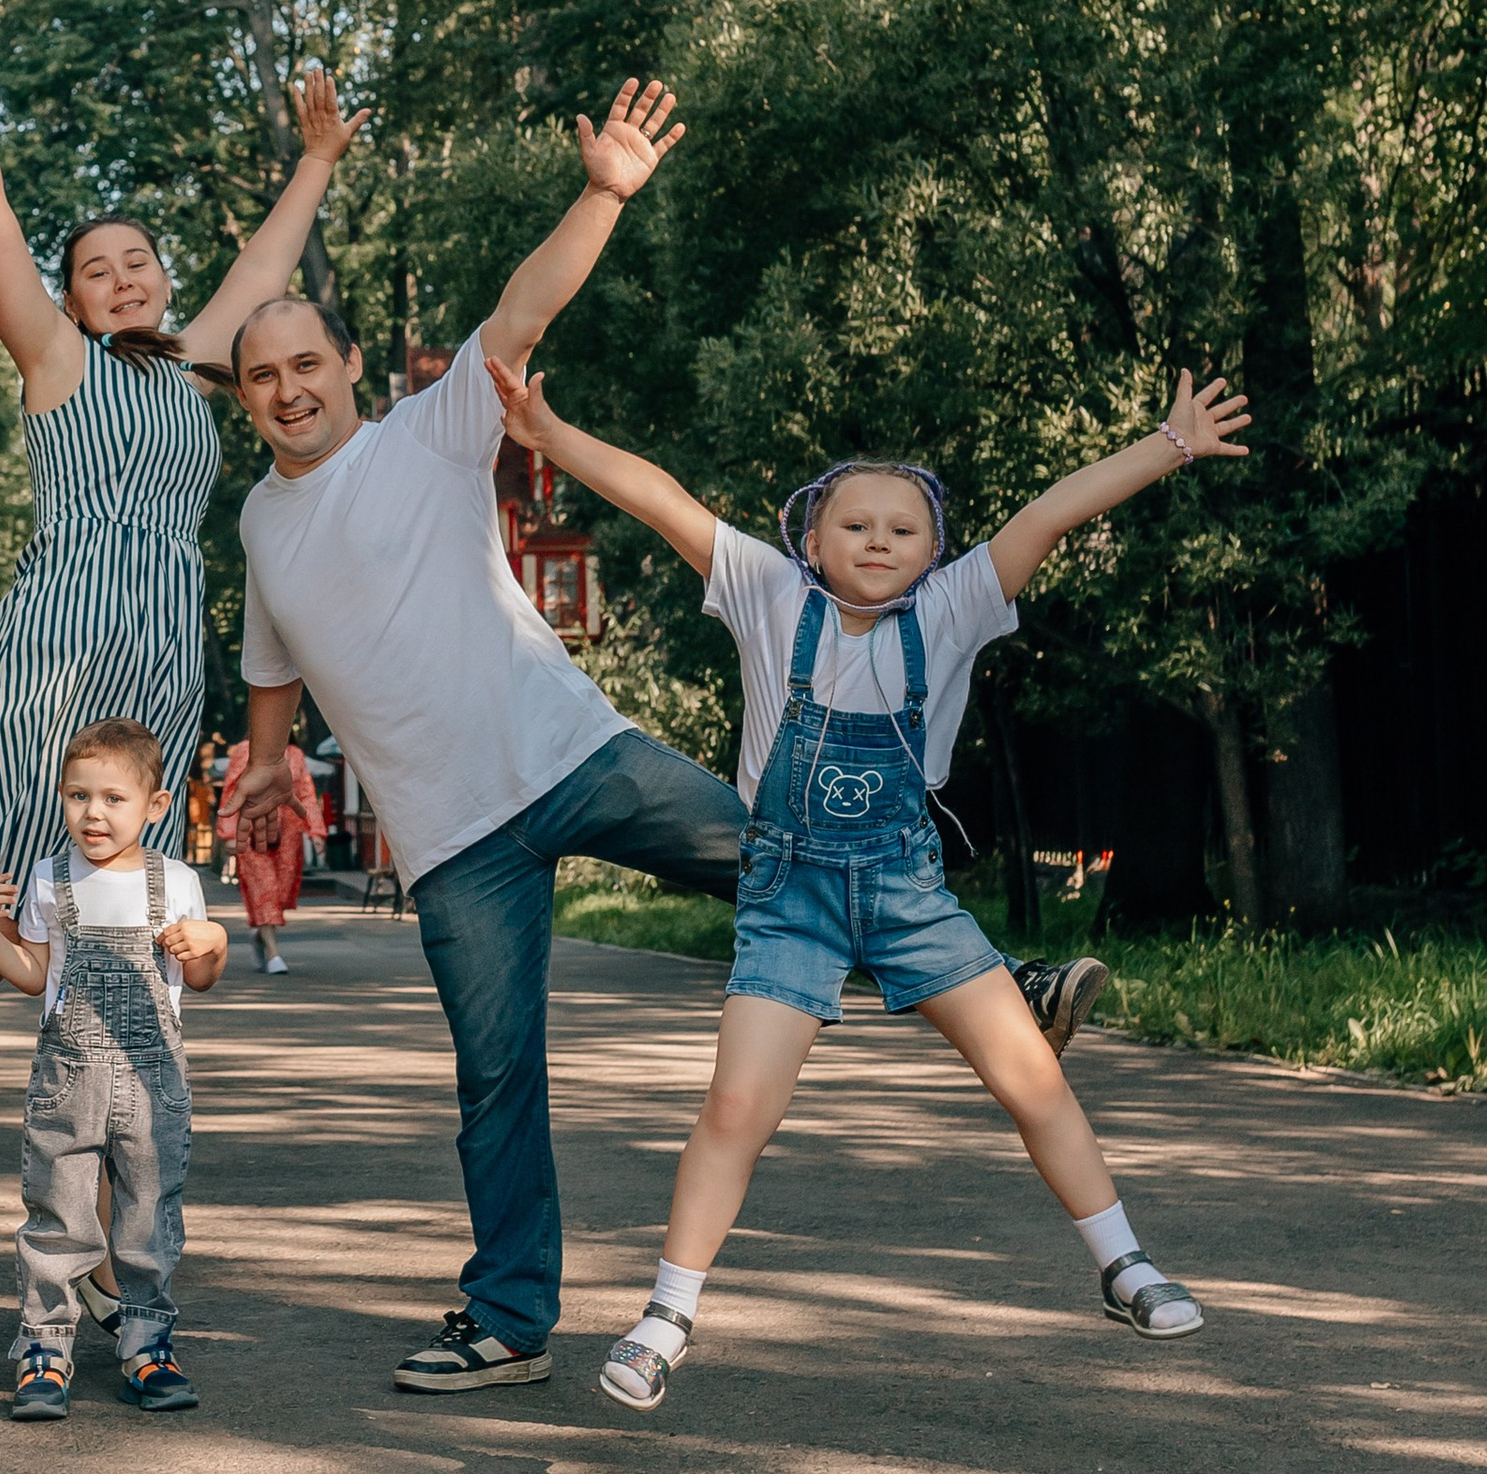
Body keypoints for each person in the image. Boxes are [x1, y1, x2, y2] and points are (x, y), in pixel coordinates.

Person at [483, 353, 1243, 1411]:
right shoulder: (765, 592)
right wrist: (548, 433)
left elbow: (1050, 513)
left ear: (935, 550)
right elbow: (660, 499)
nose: (878, 540)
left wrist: (1169, 445)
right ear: (810, 539)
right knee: (736, 1104)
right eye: (854, 524)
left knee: (1030, 1076)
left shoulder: (958, 606)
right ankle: (664, 1318)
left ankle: (1123, 1262)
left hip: (907, 892)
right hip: (786, 898)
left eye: (902, 528)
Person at [227, 80, 749, 1394]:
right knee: (497, 1081)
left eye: (305, 364)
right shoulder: (259, 524)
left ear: (348, 366)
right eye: (261, 375)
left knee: (781, 857)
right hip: (453, 840)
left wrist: (604, 193)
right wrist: (271, 760)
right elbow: (273, 656)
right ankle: (511, 1319)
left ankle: (1003, 983)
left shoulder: (431, 432)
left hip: (572, 756)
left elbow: (523, 309)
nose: (287, 389)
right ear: (244, 397)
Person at [0, 0, 365, 1229]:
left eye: (137, 263)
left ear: (164, 282)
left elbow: (266, 262)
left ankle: (112, 1232)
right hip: (44, 671)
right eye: (94, 269)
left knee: (124, 946)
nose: (119, 278)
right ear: (67, 297)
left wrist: (316, 161)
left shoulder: (200, 368)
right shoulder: (56, 359)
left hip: (156, 673)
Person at [0, 717, 227, 1419]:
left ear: (155, 805)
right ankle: (44, 1347)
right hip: (68, 1081)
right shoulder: (48, 878)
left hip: (153, 1084)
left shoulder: (176, 881)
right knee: (57, 1212)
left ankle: (148, 1345)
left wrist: (214, 940)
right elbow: (35, 974)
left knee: (148, 1214)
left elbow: (199, 978)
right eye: (78, 795)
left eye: (114, 798)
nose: (94, 813)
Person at [220, 733, 316, 970]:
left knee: (281, 891)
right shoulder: (246, 750)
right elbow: (232, 790)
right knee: (264, 889)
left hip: (289, 834)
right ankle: (273, 954)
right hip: (253, 831)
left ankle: (261, 934)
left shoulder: (295, 754)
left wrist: (316, 830)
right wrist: (229, 833)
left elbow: (306, 793)